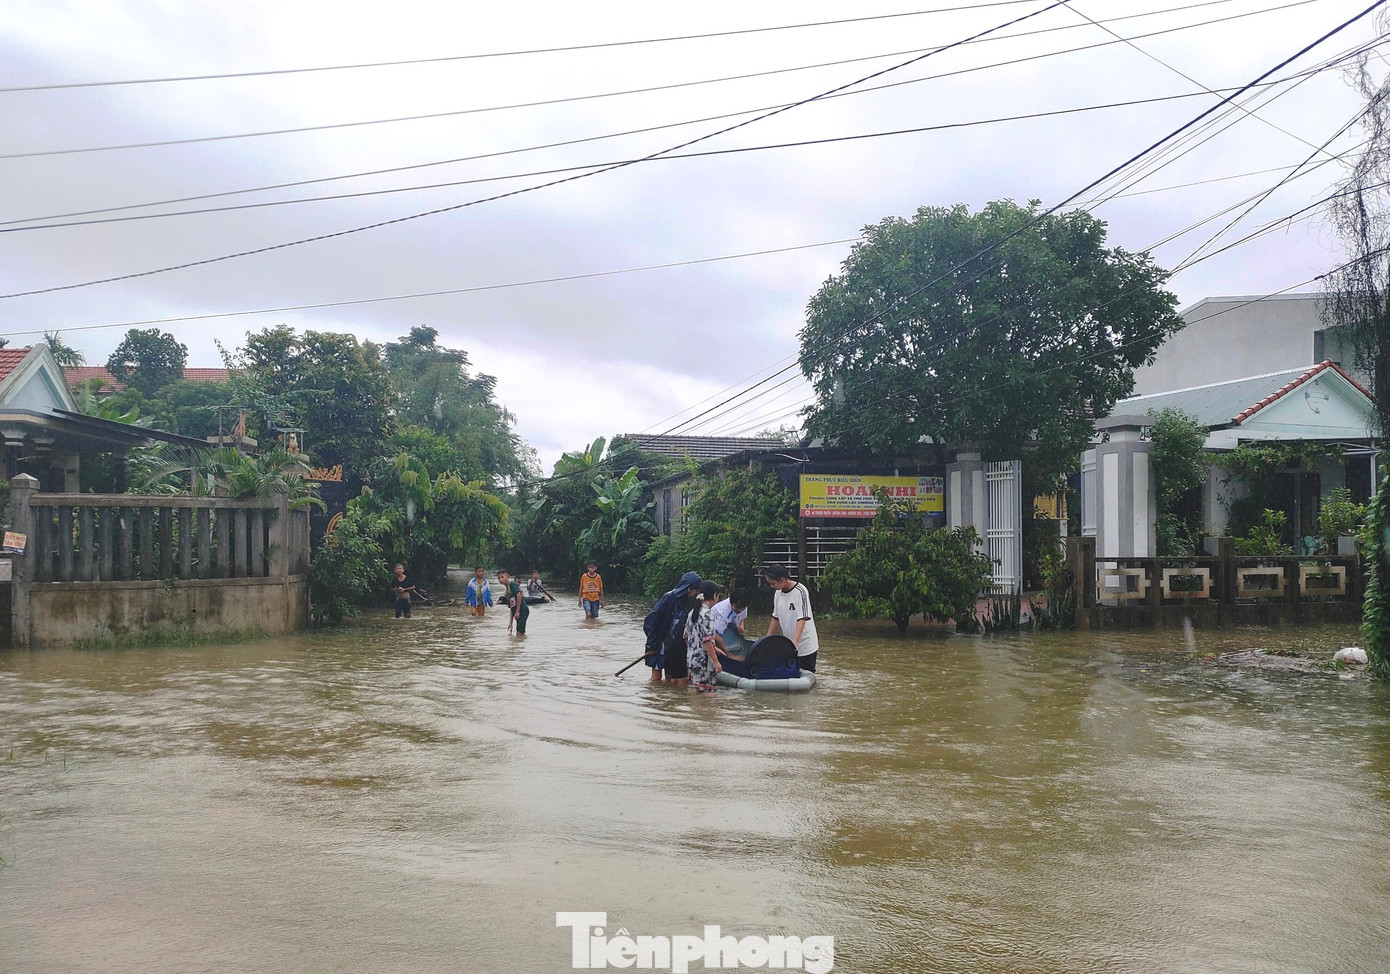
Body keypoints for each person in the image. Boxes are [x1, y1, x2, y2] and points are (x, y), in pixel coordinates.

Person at [641, 571, 700, 682]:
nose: (696, 593)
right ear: (688, 588)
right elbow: (650, 622)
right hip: (661, 643)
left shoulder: (691, 602)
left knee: (672, 678)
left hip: (677, 646)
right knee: (657, 677)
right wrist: (652, 645)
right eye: (695, 590)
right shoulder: (669, 598)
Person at [763, 564, 820, 672]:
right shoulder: (778, 593)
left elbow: (802, 618)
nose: (771, 586)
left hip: (805, 645)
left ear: (782, 580)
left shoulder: (800, 591)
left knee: (806, 676)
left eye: (773, 583)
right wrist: (767, 638)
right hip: (789, 646)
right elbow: (775, 617)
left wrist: (796, 641)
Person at [684, 580, 724, 692]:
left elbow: (687, 637)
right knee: (709, 694)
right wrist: (715, 661)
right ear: (715, 596)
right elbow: (707, 640)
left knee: (695, 691)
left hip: (691, 660)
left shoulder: (692, 612)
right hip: (704, 663)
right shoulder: (709, 614)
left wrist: (714, 648)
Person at [711, 586, 750, 657]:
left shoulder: (743, 606)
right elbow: (716, 636)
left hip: (730, 631)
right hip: (715, 636)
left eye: (742, 608)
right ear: (731, 603)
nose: (740, 610)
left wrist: (741, 625)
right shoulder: (723, 612)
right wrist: (729, 655)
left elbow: (742, 618)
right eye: (737, 607)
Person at [498, 569, 529, 635]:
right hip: (517, 612)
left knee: (519, 633)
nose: (500, 579)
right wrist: (511, 623)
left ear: (508, 576)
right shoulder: (507, 590)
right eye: (499, 578)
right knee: (520, 634)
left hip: (522, 611)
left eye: (502, 577)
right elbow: (511, 607)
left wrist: (517, 611)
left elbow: (519, 595)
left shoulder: (512, 585)